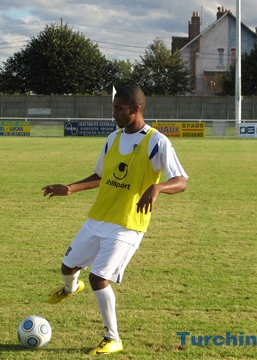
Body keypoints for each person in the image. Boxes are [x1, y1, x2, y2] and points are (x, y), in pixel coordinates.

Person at [42, 86, 188, 355]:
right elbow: (100, 176)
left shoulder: (157, 142)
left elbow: (181, 181)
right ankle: (70, 288)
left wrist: (158, 188)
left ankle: (113, 338)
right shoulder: (112, 139)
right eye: (114, 108)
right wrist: (70, 188)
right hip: (98, 217)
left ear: (136, 109)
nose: (115, 114)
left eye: (120, 109)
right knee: (67, 267)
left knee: (99, 277)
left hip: (127, 225)